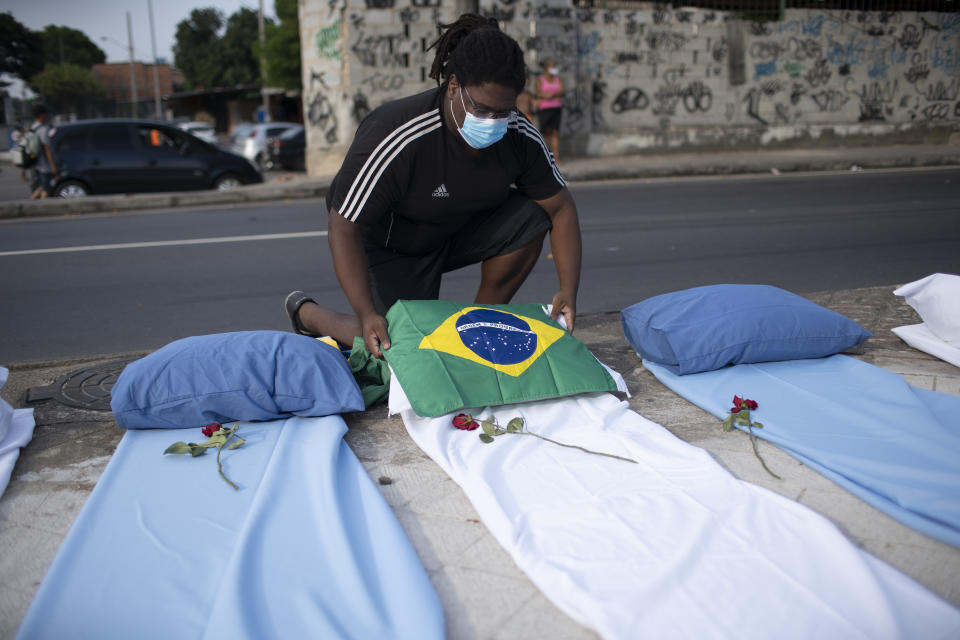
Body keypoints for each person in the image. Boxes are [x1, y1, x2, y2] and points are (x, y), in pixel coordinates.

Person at [285, 13, 583, 359]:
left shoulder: (518, 134)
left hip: (452, 233)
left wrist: (567, 289)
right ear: (454, 86)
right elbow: (343, 224)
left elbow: (561, 209)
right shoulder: (396, 133)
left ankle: (477, 327)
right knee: (399, 349)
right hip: (391, 246)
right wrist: (367, 313)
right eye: (483, 110)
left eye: (504, 111)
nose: (494, 122)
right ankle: (309, 313)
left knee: (533, 214)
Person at [535, 59, 565, 163]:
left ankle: (556, 158)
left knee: (555, 133)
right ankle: (547, 157)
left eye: (555, 66)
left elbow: (562, 91)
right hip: (544, 109)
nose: (554, 69)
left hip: (556, 108)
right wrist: (545, 95)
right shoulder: (540, 79)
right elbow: (538, 92)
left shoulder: (558, 79)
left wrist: (551, 95)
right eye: (552, 66)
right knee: (545, 133)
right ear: (546, 68)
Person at [28, 105, 59, 199]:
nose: (47, 116)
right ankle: (31, 205)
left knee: (41, 187)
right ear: (41, 115)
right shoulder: (43, 129)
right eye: (46, 114)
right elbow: (47, 149)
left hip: (35, 163)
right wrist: (53, 166)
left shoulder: (33, 127)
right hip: (44, 165)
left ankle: (31, 204)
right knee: (46, 189)